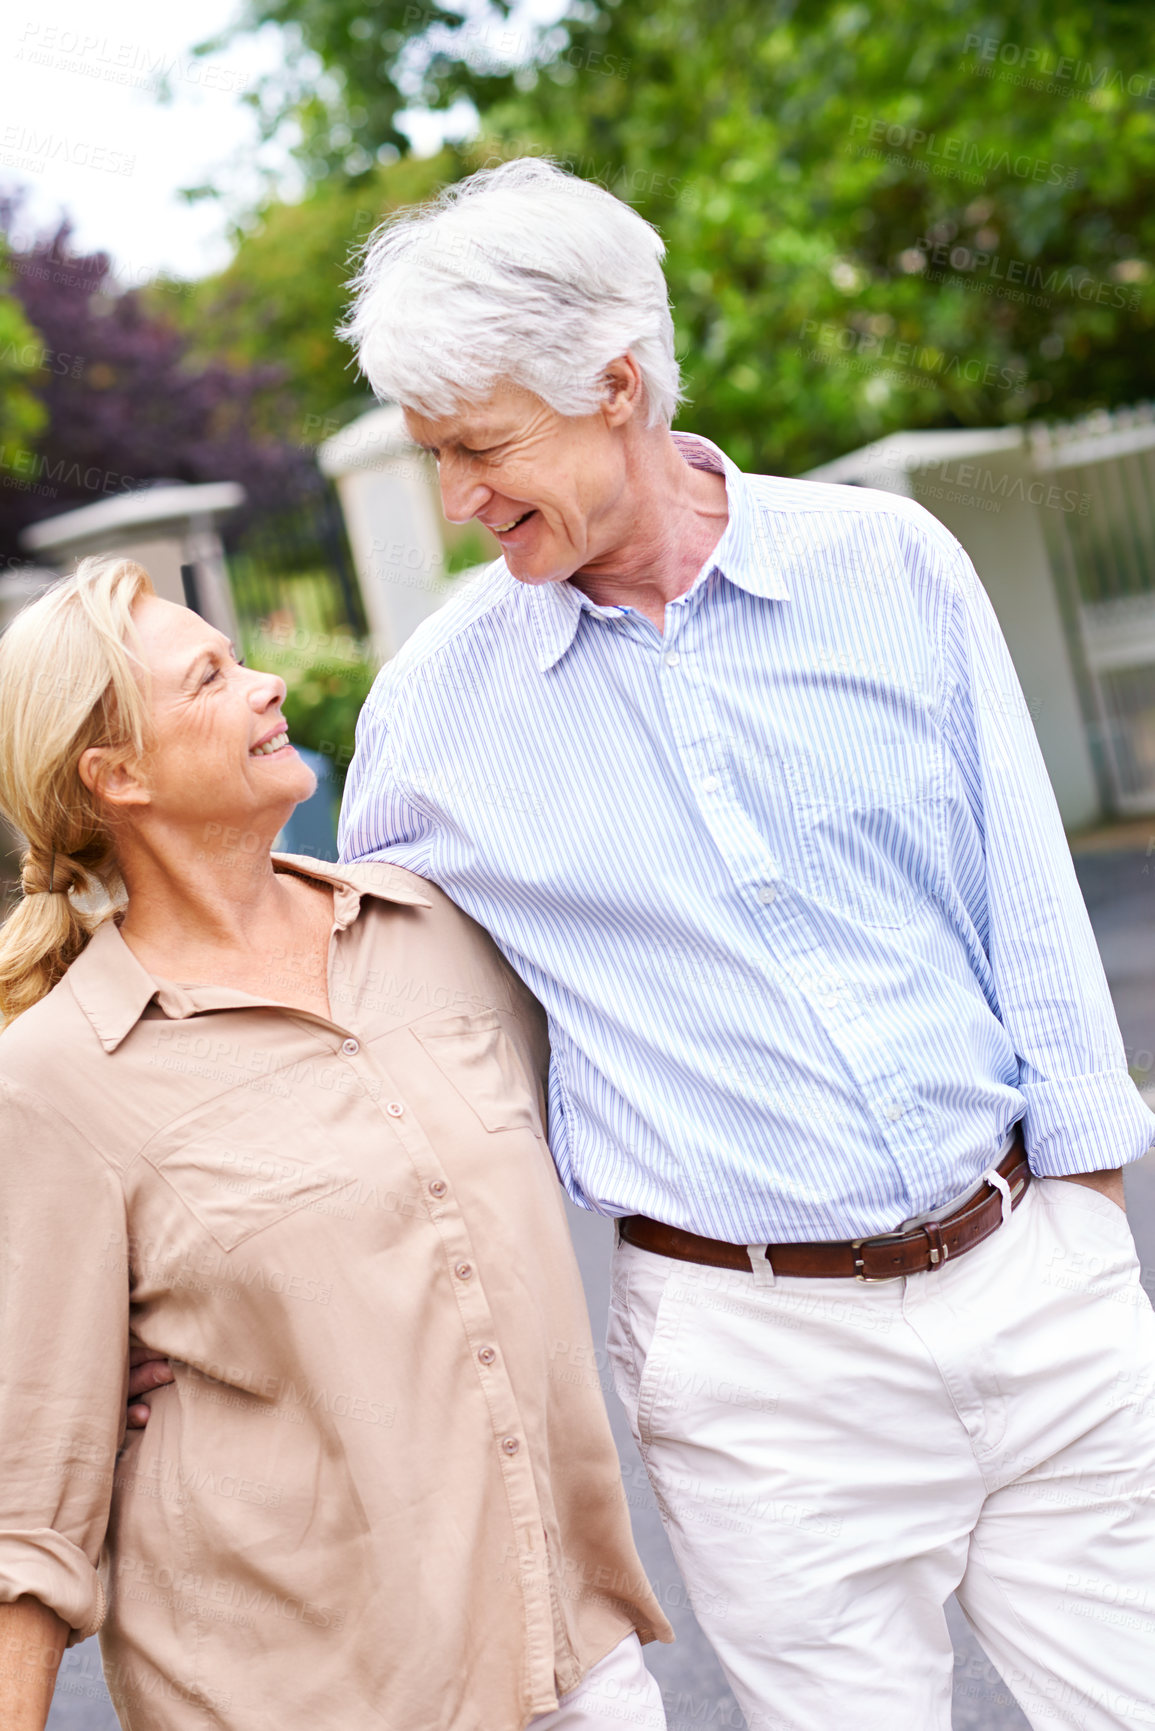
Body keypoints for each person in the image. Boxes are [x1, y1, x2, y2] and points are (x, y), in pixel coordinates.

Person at [325, 158, 1155, 1730]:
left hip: (1030, 1284)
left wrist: (1081, 1232)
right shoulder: (436, 709)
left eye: (481, 446)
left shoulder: (885, 562)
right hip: (755, 1364)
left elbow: (1026, 898)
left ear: (615, 385)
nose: (457, 497)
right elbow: (352, 1028)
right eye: (434, 454)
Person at [0, 556, 671, 1731]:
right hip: (299, 1697)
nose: (265, 684)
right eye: (209, 677)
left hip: (579, 1665)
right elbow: (26, 1510)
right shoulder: (60, 1079)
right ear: (116, 775)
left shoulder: (441, 930)